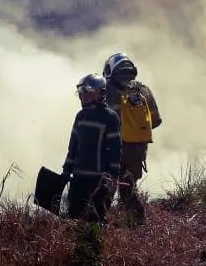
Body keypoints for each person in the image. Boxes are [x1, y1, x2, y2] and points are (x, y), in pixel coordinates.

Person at [102, 52, 163, 223]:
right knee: (128, 188)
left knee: (107, 186)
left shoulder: (107, 91)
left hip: (114, 148)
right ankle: (137, 225)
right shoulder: (144, 90)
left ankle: (99, 225)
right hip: (138, 150)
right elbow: (156, 121)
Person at [61, 73, 122, 224]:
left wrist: (113, 175)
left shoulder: (110, 117)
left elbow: (115, 149)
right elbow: (73, 146)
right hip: (78, 177)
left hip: (99, 179)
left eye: (86, 93)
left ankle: (99, 245)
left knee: (98, 218)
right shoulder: (80, 116)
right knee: (74, 216)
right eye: (81, 94)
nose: (82, 97)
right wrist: (66, 170)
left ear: (100, 93)